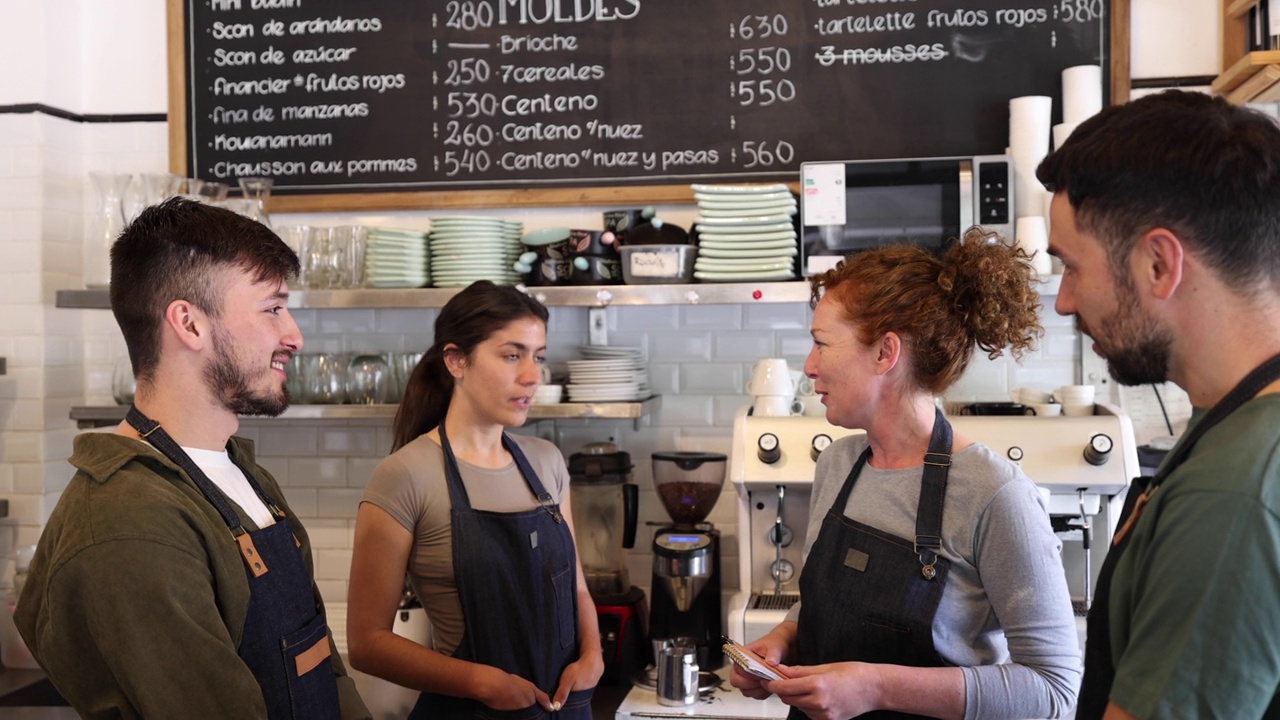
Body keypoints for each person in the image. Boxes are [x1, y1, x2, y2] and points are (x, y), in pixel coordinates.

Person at [15, 198, 369, 719]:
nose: (293, 335)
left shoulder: (237, 472)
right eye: (272, 308)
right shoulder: (130, 520)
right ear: (189, 324)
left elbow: (318, 658)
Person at [730, 237, 1081, 720]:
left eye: (821, 343)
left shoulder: (995, 495)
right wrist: (782, 641)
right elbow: (829, 611)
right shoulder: (838, 464)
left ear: (884, 353)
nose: (809, 367)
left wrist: (876, 687)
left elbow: (1054, 690)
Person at [1037, 90, 1280, 719]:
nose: (1064, 303)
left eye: (1071, 267)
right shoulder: (1238, 430)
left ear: (1156, 263)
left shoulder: (1234, 493)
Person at [346, 280, 603, 719]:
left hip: (564, 709)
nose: (532, 375)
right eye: (511, 355)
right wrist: (479, 682)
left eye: (538, 356)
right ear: (456, 360)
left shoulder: (547, 463)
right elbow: (366, 643)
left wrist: (593, 658)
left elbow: (575, 587)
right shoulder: (405, 476)